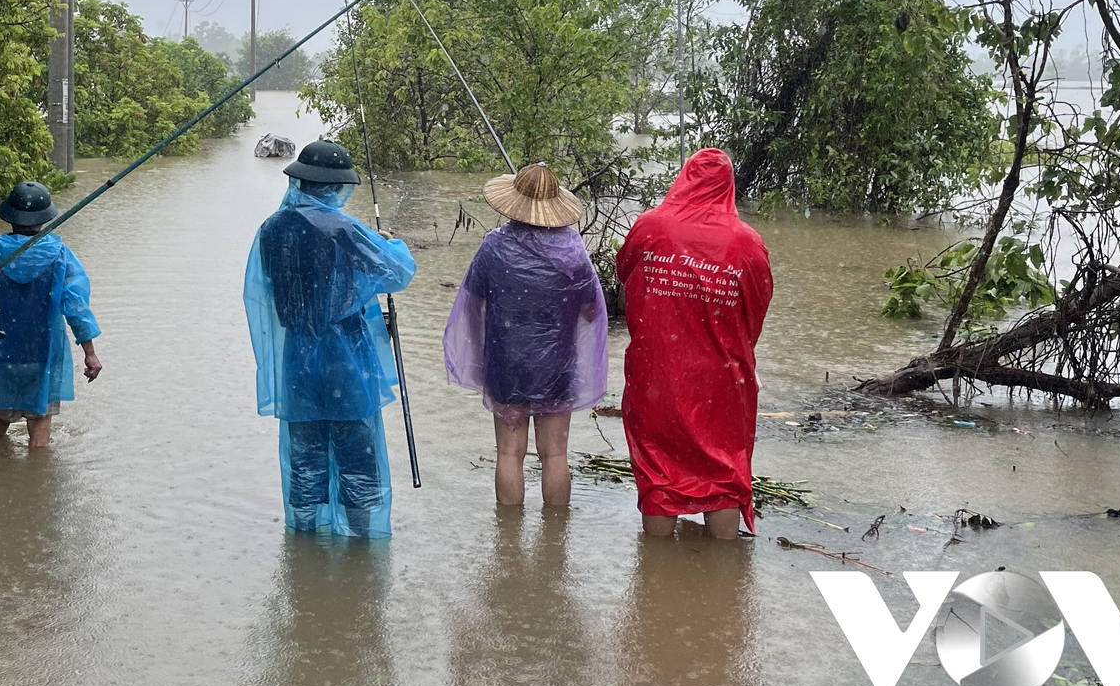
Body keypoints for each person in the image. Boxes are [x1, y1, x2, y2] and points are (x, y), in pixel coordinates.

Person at [244, 139, 417, 538]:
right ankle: (359, 545)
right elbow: (397, 271)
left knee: (305, 456)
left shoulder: (271, 230)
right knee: (357, 452)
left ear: (302, 182)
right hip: (346, 359)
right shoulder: (345, 229)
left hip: (298, 358)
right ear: (335, 186)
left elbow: (268, 288)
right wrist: (387, 241)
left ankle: (304, 542)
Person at [615, 148, 772, 539]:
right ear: (729, 186)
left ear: (684, 177)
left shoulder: (650, 226)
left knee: (657, 473)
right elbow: (756, 310)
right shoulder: (747, 243)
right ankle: (720, 581)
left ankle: (655, 575)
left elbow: (624, 275)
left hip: (657, 374)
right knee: (722, 476)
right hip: (721, 379)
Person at [443, 162, 608, 507]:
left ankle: (508, 545)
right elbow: (592, 313)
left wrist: (480, 358)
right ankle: (554, 542)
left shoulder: (493, 248)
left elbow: (470, 307)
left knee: (508, 452)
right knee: (555, 455)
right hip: (557, 367)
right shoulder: (574, 255)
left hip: (506, 363)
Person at [0, 181, 101, 448]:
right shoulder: (60, 255)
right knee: (40, 431)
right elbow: (76, 307)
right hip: (42, 352)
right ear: (44, 218)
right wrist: (90, 352)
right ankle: (35, 483)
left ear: (10, 216)